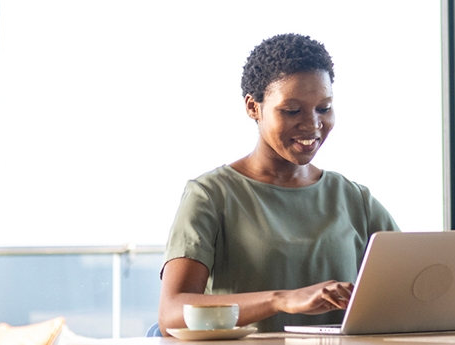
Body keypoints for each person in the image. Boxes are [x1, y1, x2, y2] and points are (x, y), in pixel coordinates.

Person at [157, 33, 399, 334]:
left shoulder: (355, 199)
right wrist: (281, 299)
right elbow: (171, 313)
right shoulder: (210, 195)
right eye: (292, 111)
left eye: (323, 108)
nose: (312, 124)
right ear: (253, 107)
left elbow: (411, 289)